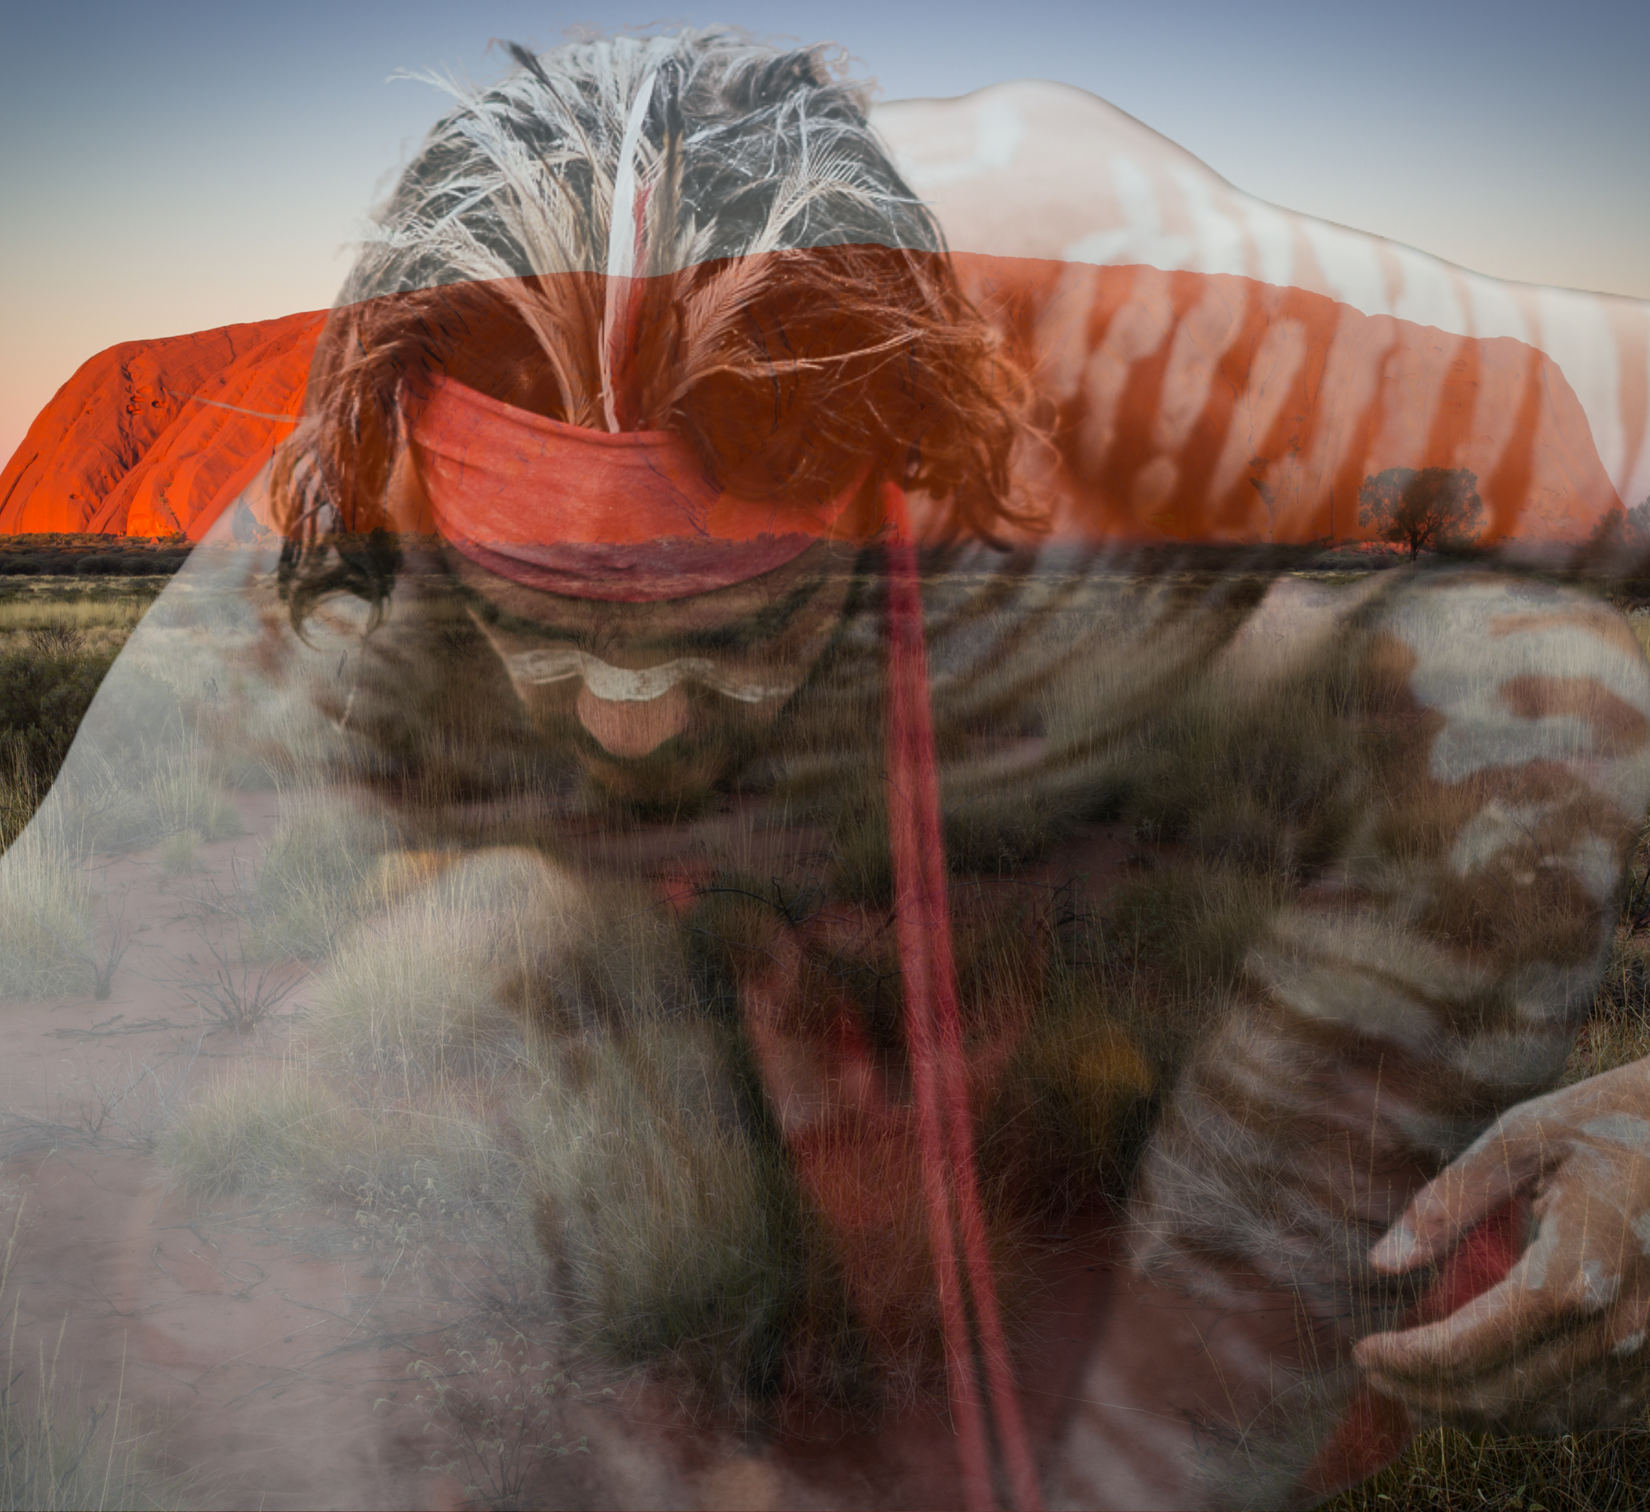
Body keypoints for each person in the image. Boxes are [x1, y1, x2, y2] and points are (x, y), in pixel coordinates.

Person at [7, 29, 1650, 1510]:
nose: (636, 716)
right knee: (458, 993)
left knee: (1519, 694)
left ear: (911, 460)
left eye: (731, 628)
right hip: (690, 1112)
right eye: (549, 627)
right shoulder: (346, 560)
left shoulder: (1155, 371)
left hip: (1119, 1060)